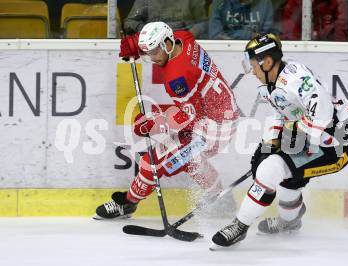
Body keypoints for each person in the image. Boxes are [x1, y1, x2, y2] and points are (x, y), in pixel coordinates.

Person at [210, 33, 348, 249]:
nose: (251, 71)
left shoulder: (295, 79)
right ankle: (289, 222)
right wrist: (270, 143)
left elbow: (323, 115)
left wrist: (286, 141)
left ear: (268, 62)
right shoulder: (270, 85)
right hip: (316, 135)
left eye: (252, 65)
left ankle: (239, 226)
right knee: (286, 177)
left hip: (338, 141)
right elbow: (284, 115)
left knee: (270, 171)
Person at [94, 21, 239, 219]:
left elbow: (188, 116)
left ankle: (128, 204)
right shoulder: (184, 39)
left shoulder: (176, 76)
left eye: (154, 52)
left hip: (212, 129)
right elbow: (191, 110)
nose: (152, 58)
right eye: (148, 52)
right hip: (222, 115)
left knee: (152, 161)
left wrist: (154, 124)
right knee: (191, 159)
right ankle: (222, 199)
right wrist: (135, 44)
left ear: (167, 44)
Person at [123, 0, 208, 38]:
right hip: (154, 49)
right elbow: (129, 22)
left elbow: (205, 23)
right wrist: (149, 30)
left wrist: (192, 32)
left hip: (185, 47)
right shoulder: (146, 1)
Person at [282, 0, 348, 41]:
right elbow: (289, 36)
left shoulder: (337, 2)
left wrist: (323, 33)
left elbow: (340, 37)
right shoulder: (295, 2)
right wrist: (300, 8)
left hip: (329, 48)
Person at [209, 0, 274, 40]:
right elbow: (215, 35)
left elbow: (267, 36)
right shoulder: (220, 3)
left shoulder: (265, 3)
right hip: (227, 51)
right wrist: (249, 35)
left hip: (256, 52)